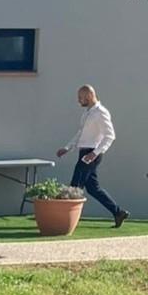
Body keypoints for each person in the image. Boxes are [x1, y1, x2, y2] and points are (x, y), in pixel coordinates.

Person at [57, 85, 130, 227]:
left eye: (80, 97)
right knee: (93, 188)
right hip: (84, 152)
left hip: (92, 153)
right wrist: (67, 148)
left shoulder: (101, 112)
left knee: (75, 186)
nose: (79, 101)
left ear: (89, 95)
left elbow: (110, 136)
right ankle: (118, 212)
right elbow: (80, 134)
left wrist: (94, 153)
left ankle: (65, 221)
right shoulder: (87, 113)